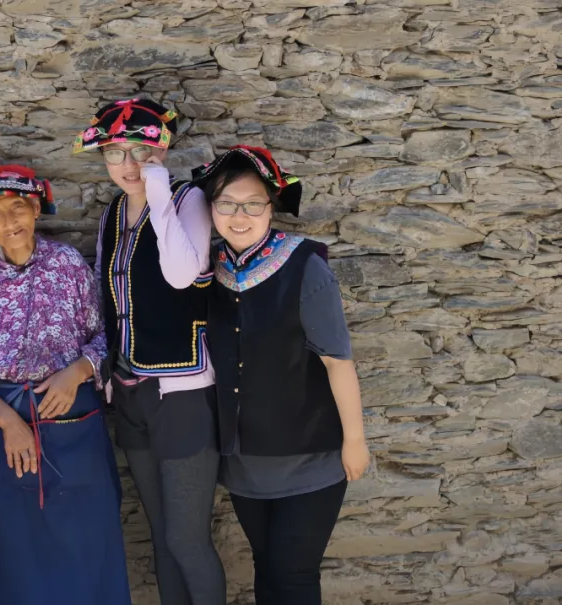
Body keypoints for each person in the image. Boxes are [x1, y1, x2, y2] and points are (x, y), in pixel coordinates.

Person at [190, 145, 371, 605]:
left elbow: (337, 360)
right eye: (227, 203)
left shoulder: (304, 266)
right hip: (244, 463)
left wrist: (354, 440)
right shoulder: (206, 268)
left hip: (310, 458)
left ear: (271, 207)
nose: (239, 216)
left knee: (292, 576)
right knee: (267, 571)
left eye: (253, 204)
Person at [0, 165, 131, 605]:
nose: (9, 222)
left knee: (82, 536)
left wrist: (77, 373)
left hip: (73, 420)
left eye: (17, 208)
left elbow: (102, 336)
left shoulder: (67, 264)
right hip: (1, 420)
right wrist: (7, 421)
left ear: (35, 210)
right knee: (3, 538)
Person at [72, 99, 226, 605]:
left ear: (162, 149)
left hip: (182, 391)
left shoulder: (188, 200)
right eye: (115, 153)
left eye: (140, 151)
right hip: (131, 391)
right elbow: (107, 298)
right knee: (160, 534)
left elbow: (182, 274)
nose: (129, 165)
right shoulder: (113, 213)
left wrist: (159, 190)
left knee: (187, 539)